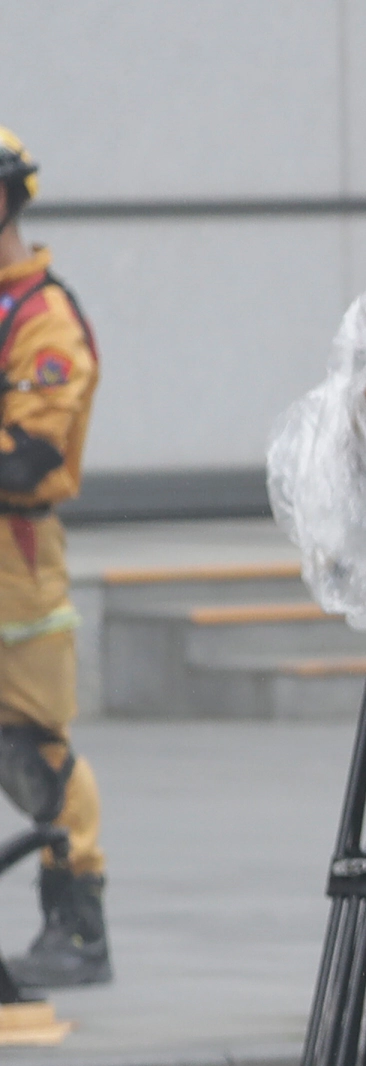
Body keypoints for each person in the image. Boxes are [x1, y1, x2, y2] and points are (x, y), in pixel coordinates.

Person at [0, 131, 109, 989]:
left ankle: (77, 922)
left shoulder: (43, 318)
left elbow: (27, 456)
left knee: (33, 749)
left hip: (16, 565)